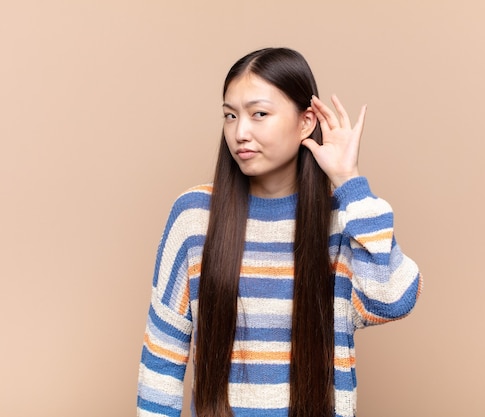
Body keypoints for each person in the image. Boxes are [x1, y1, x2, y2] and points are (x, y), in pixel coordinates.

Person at [137, 47, 422, 417]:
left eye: (259, 114)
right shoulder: (194, 216)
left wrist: (350, 182)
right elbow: (162, 355)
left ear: (306, 122)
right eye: (230, 115)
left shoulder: (342, 216)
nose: (240, 132)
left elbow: (393, 299)